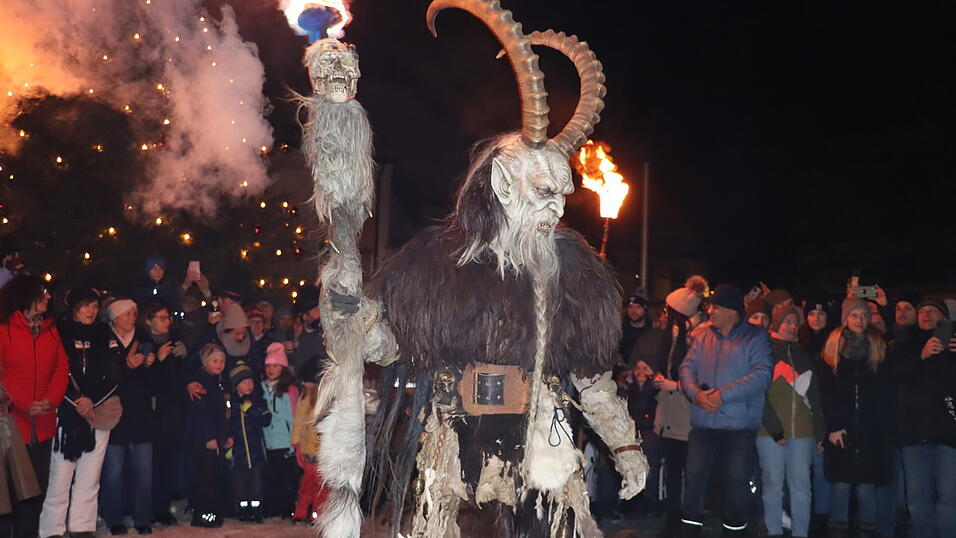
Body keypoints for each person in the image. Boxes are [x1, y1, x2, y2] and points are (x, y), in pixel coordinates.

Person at [678, 283, 773, 536]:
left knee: (736, 481)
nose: (710, 311)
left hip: (738, 427)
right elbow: (686, 368)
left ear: (732, 310)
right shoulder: (704, 336)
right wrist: (696, 394)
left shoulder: (755, 337)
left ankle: (734, 530)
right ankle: (689, 530)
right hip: (704, 423)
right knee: (694, 477)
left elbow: (762, 375)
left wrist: (722, 395)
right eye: (710, 306)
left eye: (716, 307)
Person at [38, 286, 121, 538]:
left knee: (90, 476)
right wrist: (75, 400)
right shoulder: (58, 331)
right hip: (65, 413)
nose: (91, 311)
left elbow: (115, 373)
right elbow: (52, 371)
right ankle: (52, 529)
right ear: (74, 307)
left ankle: (82, 526)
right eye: (86, 305)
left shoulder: (104, 333)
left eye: (95, 306)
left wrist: (91, 400)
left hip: (97, 412)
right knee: (60, 476)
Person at [0, 275, 69, 537]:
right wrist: (24, 404)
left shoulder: (50, 329)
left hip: (42, 424)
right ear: (25, 296)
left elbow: (61, 368)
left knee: (35, 494)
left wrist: (50, 400)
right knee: (7, 498)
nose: (48, 297)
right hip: (10, 425)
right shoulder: (4, 329)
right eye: (43, 292)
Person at [818, 297, 892, 538]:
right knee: (841, 483)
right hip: (841, 427)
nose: (859, 320)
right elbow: (826, 392)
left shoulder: (878, 345)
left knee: (866, 484)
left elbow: (884, 391)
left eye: (863, 315)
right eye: (854, 315)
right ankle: (837, 527)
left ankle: (866, 528)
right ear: (845, 319)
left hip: (870, 428)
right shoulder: (834, 346)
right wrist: (834, 425)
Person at [756, 304, 826, 538]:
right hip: (769, 432)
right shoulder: (764, 352)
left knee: (801, 486)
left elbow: (815, 395)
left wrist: (820, 431)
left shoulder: (803, 354)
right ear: (776, 324)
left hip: (803, 431)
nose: (792, 326)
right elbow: (759, 394)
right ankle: (774, 531)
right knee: (773, 484)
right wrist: (775, 429)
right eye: (786, 321)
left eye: (795, 322)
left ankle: (800, 532)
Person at [889, 298, 956, 538]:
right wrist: (921, 355)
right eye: (922, 311)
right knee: (917, 497)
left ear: (944, 317)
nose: (926, 314)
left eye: (932, 310)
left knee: (949, 496)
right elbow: (893, 374)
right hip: (914, 434)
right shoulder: (904, 345)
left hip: (948, 434)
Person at [651, 276, 709, 537]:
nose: (665, 314)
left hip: (689, 415)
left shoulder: (702, 335)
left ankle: (690, 521)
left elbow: (703, 378)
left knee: (692, 472)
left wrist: (673, 384)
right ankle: (673, 519)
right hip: (668, 414)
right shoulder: (673, 335)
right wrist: (659, 380)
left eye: (669, 310)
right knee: (673, 470)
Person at [100, 299, 156, 535]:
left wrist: (151, 364)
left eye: (134, 313)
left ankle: (142, 518)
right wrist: (126, 366)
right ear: (115, 318)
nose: (132, 318)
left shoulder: (143, 338)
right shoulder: (104, 339)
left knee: (144, 471)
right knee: (113, 472)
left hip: (141, 414)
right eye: (127, 314)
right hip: (114, 415)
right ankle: (114, 518)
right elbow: (104, 374)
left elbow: (152, 380)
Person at [140, 303, 188, 527]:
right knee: (152, 464)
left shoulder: (175, 343)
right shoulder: (143, 343)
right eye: (161, 318)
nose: (167, 322)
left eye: (168, 317)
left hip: (172, 412)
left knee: (168, 462)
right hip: (152, 413)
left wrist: (184, 355)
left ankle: (163, 507)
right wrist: (157, 360)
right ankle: (149, 508)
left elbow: (180, 378)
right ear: (149, 320)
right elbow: (145, 382)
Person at [184, 344, 230, 528]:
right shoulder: (200, 383)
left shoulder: (219, 382)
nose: (219, 364)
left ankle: (212, 510)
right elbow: (200, 412)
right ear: (205, 362)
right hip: (203, 439)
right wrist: (209, 437)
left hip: (217, 436)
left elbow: (224, 412)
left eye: (222, 361)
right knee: (204, 477)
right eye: (215, 361)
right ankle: (202, 513)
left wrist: (226, 434)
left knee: (214, 475)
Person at [260, 343, 301, 518]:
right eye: (268, 366)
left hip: (285, 441)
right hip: (267, 441)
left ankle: (286, 508)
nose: (271, 369)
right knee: (270, 477)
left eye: (275, 365)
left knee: (286, 478)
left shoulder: (290, 390)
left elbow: (295, 416)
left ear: (283, 368)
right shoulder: (261, 388)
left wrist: (295, 442)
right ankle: (271, 508)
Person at [226, 363, 271, 523]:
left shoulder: (258, 401)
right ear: (236, 385)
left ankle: (257, 511)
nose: (249, 385)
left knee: (256, 484)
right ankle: (243, 511)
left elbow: (266, 420)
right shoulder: (231, 403)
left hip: (255, 452)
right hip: (238, 454)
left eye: (250, 381)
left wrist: (251, 410)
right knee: (240, 485)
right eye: (244, 382)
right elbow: (227, 424)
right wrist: (227, 439)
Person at [620, 359, 661, 516]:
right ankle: (629, 502)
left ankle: (650, 502)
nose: (640, 372)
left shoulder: (656, 388)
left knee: (650, 463)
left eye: (645, 368)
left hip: (650, 430)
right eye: (637, 368)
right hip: (631, 432)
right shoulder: (627, 387)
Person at [291, 358, 325, 524]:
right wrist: (296, 444)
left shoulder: (326, 401)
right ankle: (300, 512)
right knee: (306, 484)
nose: (303, 384)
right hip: (307, 451)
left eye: (306, 381)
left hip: (323, 452)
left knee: (321, 485)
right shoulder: (304, 398)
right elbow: (298, 422)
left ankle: (318, 514)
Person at [620, 294, 651, 363]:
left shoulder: (652, 329)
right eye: (630, 307)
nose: (633, 310)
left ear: (645, 310)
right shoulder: (620, 330)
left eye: (638, 307)